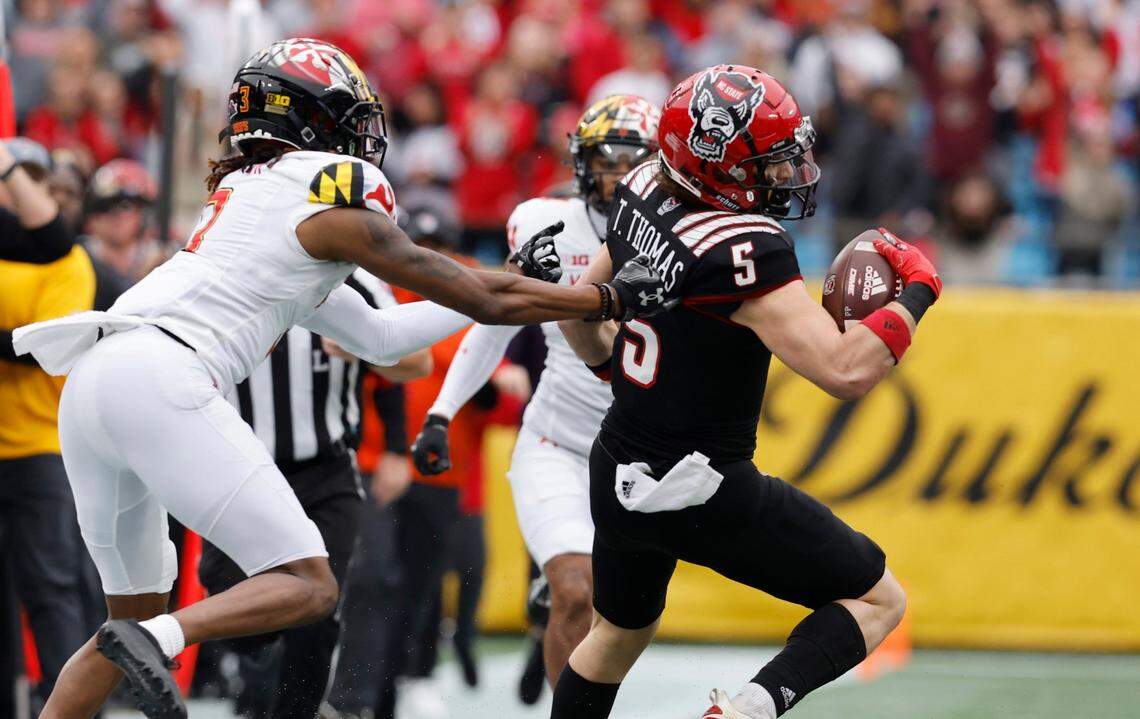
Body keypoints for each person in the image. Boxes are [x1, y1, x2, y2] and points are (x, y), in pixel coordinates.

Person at [13, 38, 669, 719]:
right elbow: (485, 300)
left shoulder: (252, 194)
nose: (360, 138)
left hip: (93, 379)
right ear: (309, 122)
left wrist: (525, 282)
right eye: (347, 119)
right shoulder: (322, 189)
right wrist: (602, 298)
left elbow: (385, 335)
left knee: (120, 622)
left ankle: (135, 643)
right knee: (308, 582)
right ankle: (165, 633)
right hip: (159, 374)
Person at [551, 65, 942, 719]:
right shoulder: (746, 247)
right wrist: (921, 286)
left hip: (617, 458)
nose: (786, 174)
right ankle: (743, 712)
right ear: (715, 166)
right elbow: (845, 371)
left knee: (615, 636)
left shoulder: (644, 182)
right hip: (697, 482)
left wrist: (612, 379)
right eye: (768, 162)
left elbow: (579, 310)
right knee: (879, 600)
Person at [411, 94, 662, 689]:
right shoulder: (543, 222)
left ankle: (552, 632)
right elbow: (494, 320)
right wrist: (442, 413)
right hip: (558, 442)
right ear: (582, 164)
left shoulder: (684, 240)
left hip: (643, 457)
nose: (621, 174)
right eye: (609, 159)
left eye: (635, 160)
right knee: (578, 590)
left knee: (618, 615)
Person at [196, 268, 428, 719]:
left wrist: (368, 348)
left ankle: (297, 710)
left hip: (326, 471)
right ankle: (258, 688)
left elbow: (417, 361)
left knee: (319, 603)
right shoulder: (220, 270)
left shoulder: (351, 279)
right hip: (239, 467)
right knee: (235, 610)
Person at [0, 137, 93, 713]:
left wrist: (10, 165)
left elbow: (41, 346)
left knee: (53, 588)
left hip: (41, 446)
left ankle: (72, 709)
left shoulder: (66, 259)